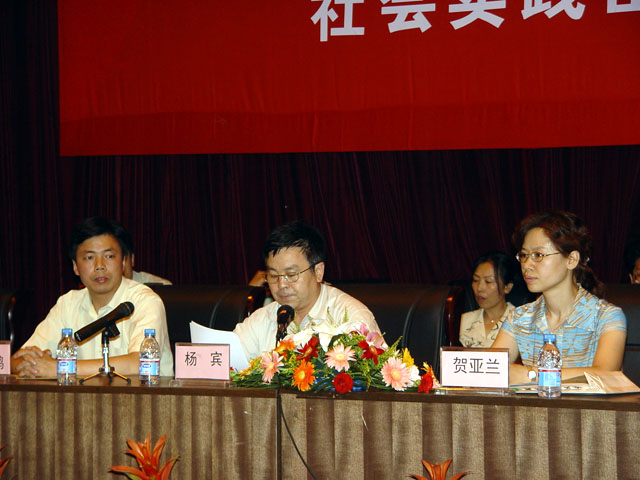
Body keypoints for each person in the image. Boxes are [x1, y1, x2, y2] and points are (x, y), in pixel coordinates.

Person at [12, 217, 174, 378]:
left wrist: (61, 368)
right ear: (75, 267)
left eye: (109, 256)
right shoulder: (67, 304)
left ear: (124, 262)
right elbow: (17, 360)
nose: (99, 266)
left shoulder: (145, 301)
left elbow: (140, 363)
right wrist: (29, 364)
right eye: (89, 257)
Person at [492, 210, 626, 384]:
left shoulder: (606, 317)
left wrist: (531, 375)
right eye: (524, 255)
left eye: (538, 255)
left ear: (571, 260)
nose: (527, 265)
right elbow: (491, 369)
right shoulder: (518, 318)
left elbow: (606, 374)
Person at [233, 221, 382, 361]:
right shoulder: (262, 318)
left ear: (318, 271)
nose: (281, 284)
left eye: (291, 274)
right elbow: (226, 359)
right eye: (273, 275)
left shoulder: (353, 319)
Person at [459, 252, 518, 348]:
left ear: (507, 287)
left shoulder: (520, 321)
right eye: (475, 280)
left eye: (488, 281)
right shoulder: (463, 321)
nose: (479, 288)